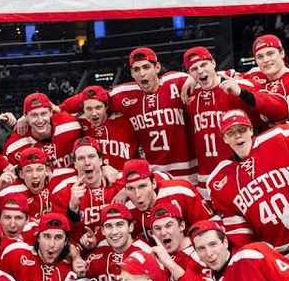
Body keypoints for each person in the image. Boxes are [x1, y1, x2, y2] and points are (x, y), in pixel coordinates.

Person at [206, 110, 289, 260]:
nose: (238, 135)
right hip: (281, 257)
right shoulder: (218, 180)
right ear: (224, 138)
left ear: (251, 130)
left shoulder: (280, 137)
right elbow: (241, 236)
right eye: (230, 132)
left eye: (242, 129)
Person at [61, 47, 195, 181]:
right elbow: (94, 95)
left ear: (157, 67)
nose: (142, 73)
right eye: (136, 69)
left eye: (146, 67)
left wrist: (193, 78)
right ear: (131, 73)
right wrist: (60, 107)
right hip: (154, 171)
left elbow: (210, 78)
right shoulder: (124, 93)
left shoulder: (176, 80)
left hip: (190, 168)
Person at [182, 45, 287, 193]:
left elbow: (281, 110)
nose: (200, 71)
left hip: (244, 173)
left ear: (213, 63)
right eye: (194, 69)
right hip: (207, 177)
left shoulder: (238, 85)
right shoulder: (191, 96)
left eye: (204, 64)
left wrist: (241, 92)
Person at [3, 92, 83, 169]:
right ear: (25, 116)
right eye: (34, 115)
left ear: (51, 112)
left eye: (43, 114)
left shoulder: (71, 124)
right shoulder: (13, 147)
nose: (40, 120)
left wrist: (61, 107)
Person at [75, 85, 138, 171]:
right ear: (83, 109)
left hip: (125, 178)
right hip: (95, 180)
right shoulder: (77, 123)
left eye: (98, 107)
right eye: (89, 109)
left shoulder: (125, 120)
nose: (94, 113)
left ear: (106, 107)